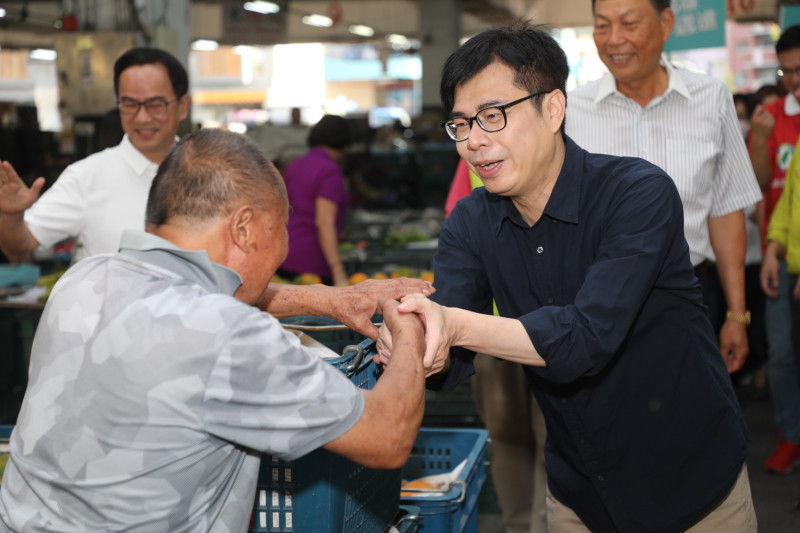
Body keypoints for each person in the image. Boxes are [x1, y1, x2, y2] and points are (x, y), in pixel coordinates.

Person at [377, 22, 755, 532]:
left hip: (693, 486)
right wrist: (414, 341)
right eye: (461, 124)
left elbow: (585, 338)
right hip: (579, 492)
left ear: (552, 108)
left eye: (492, 116)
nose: (474, 141)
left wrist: (454, 325)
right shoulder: (470, 222)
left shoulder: (636, 194)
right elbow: (452, 360)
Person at [0, 128, 427, 531]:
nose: (283, 249)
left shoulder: (85, 278)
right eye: (279, 228)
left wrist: (328, 299)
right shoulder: (232, 337)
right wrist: (407, 321)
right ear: (243, 228)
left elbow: (207, 293)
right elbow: (387, 435)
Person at [566, 0, 762, 373]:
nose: (614, 40)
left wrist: (737, 315)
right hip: (595, 301)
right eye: (602, 25)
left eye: (629, 24)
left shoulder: (710, 99)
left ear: (666, 22)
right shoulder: (573, 111)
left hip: (689, 297)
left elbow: (725, 210)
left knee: (688, 419)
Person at [0, 47, 189, 263]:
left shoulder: (208, 171)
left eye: (156, 105)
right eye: (129, 105)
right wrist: (13, 216)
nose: (142, 117)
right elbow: (19, 245)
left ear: (182, 106)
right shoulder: (86, 177)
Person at [445, 158, 547, 533]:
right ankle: (524, 526)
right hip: (493, 330)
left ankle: (536, 526)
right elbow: (459, 229)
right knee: (510, 436)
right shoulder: (473, 156)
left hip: (553, 329)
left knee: (550, 435)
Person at [748, 25, 800, 474]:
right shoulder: (772, 116)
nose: (793, 79)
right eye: (787, 70)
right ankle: (790, 435)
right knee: (782, 351)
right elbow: (765, 188)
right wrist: (761, 139)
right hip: (781, 254)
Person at [278, 115, 352, 286]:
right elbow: (324, 222)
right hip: (311, 261)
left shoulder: (295, 165)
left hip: (284, 253)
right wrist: (339, 273)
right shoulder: (329, 170)